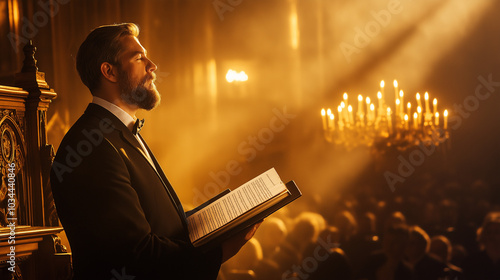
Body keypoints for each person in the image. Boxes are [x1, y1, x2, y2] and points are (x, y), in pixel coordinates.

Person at [50, 23, 259, 280]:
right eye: (138, 58)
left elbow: (160, 225)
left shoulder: (118, 132)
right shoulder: (92, 146)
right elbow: (135, 255)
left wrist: (222, 218)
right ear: (109, 71)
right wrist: (221, 250)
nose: (153, 66)